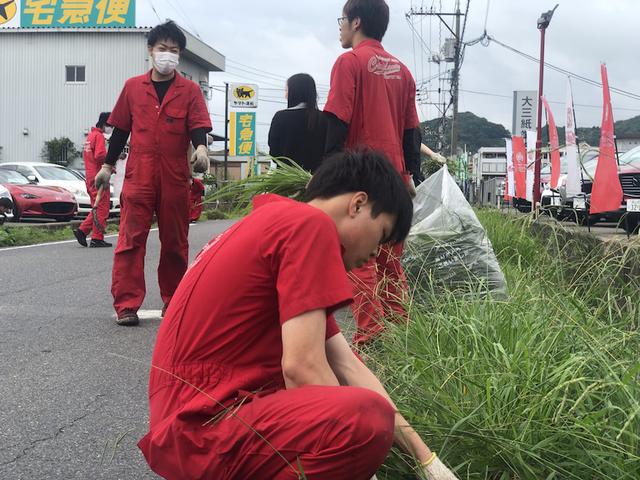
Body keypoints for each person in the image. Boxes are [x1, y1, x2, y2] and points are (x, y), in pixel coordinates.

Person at [138, 149, 457, 480]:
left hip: (196, 424)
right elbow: (303, 368)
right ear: (357, 204)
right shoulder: (310, 227)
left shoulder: (279, 223)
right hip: (208, 425)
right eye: (381, 235)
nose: (376, 254)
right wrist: (360, 456)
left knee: (360, 410)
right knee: (365, 418)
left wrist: (426, 460)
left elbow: (347, 365)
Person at [94, 21, 212, 326]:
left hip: (174, 174)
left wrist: (200, 148)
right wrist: (107, 166)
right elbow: (120, 129)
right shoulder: (134, 87)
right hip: (139, 173)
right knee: (131, 240)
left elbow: (197, 124)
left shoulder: (190, 90)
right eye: (163, 48)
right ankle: (127, 304)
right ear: (150, 50)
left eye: (174, 51)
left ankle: (172, 301)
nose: (168, 55)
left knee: (175, 241)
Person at [324, 0, 422, 344]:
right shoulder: (403, 72)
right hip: (394, 179)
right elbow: (412, 133)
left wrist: (326, 175)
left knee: (359, 260)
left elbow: (337, 120)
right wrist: (409, 176)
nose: (340, 27)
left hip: (360, 178)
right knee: (389, 262)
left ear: (356, 22)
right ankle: (403, 334)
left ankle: (371, 335)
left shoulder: (349, 63)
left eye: (343, 20)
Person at [268, 73, 339, 173]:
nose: (285, 95)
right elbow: (331, 152)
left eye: (286, 90)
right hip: (318, 180)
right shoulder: (325, 118)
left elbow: (274, 154)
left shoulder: (280, 117)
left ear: (294, 92)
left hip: (286, 181)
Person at [74, 112, 113, 248]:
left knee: (96, 207)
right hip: (99, 177)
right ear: (105, 124)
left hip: (90, 177)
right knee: (102, 207)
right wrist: (110, 165)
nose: (111, 129)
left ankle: (83, 231)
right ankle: (95, 237)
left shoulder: (90, 137)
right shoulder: (99, 137)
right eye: (111, 125)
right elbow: (100, 155)